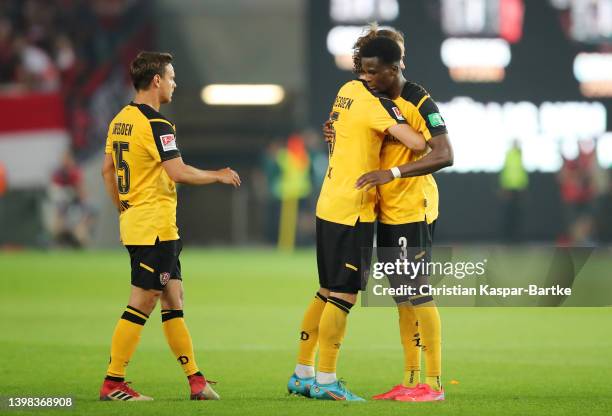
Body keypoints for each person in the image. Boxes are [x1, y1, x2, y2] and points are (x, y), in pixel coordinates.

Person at [287, 36, 427, 401]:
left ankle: (303, 372)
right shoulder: (375, 104)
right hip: (354, 208)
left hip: (329, 201)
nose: (371, 76)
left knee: (325, 289)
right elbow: (416, 143)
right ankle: (328, 380)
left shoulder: (346, 90)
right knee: (344, 295)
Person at [99, 51, 241, 401]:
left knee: (173, 298)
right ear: (157, 80)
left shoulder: (120, 120)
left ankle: (196, 381)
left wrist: (124, 208)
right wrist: (217, 175)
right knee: (143, 300)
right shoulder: (157, 124)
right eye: (172, 77)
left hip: (142, 222)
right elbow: (178, 172)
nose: (176, 83)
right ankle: (113, 382)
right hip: (154, 228)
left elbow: (106, 170)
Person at [324, 25, 453, 402]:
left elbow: (445, 154)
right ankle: (411, 380)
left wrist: (392, 173)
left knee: (417, 291)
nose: (364, 78)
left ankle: (434, 383)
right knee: (400, 295)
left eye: (371, 71)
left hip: (413, 207)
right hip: (387, 209)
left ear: (393, 69)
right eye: (361, 71)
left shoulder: (420, 101)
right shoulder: (375, 100)